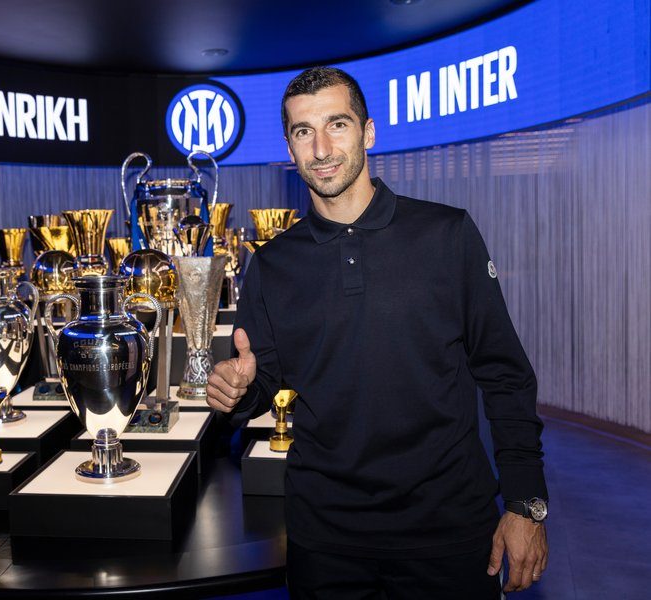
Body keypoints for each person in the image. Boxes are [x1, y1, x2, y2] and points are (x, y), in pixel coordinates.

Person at [206, 67, 549, 599]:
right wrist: (237, 390)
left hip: (449, 530)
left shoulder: (447, 235)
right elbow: (263, 381)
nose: (321, 148)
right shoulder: (271, 266)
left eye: (337, 125)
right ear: (289, 148)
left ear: (368, 133)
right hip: (326, 541)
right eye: (303, 131)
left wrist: (525, 503)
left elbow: (505, 374)